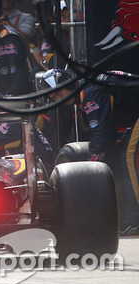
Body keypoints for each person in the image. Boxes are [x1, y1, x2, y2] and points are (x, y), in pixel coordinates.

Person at [40, 68, 139, 231]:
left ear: (68, 84)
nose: (59, 99)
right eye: (54, 98)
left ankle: (134, 219)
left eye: (59, 93)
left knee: (127, 158)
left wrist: (90, 163)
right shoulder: (87, 86)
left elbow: (102, 135)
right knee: (120, 155)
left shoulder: (91, 93)